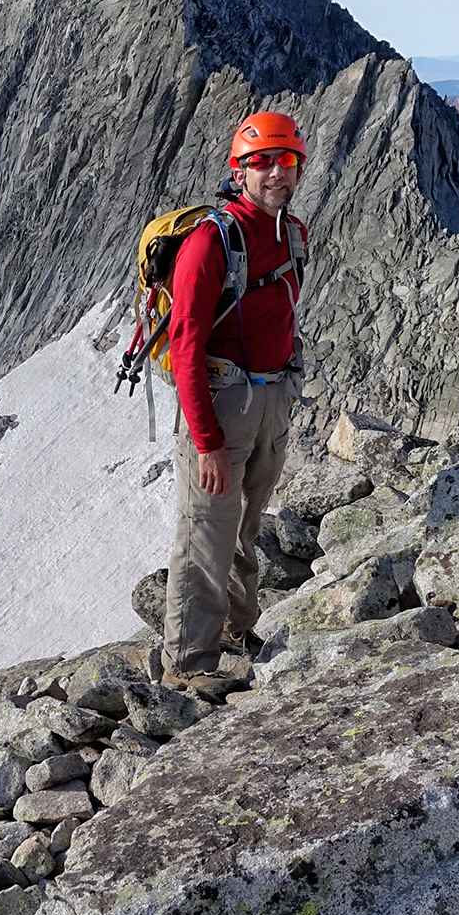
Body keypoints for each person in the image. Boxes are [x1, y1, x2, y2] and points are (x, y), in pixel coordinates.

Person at [162, 111, 310, 692]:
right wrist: (206, 443)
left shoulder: (291, 231)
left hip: (273, 399)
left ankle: (237, 632)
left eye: (286, 160)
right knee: (205, 534)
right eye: (262, 162)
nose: (275, 172)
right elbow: (185, 349)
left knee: (247, 526)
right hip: (223, 408)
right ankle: (187, 669)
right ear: (239, 168)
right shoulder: (210, 242)